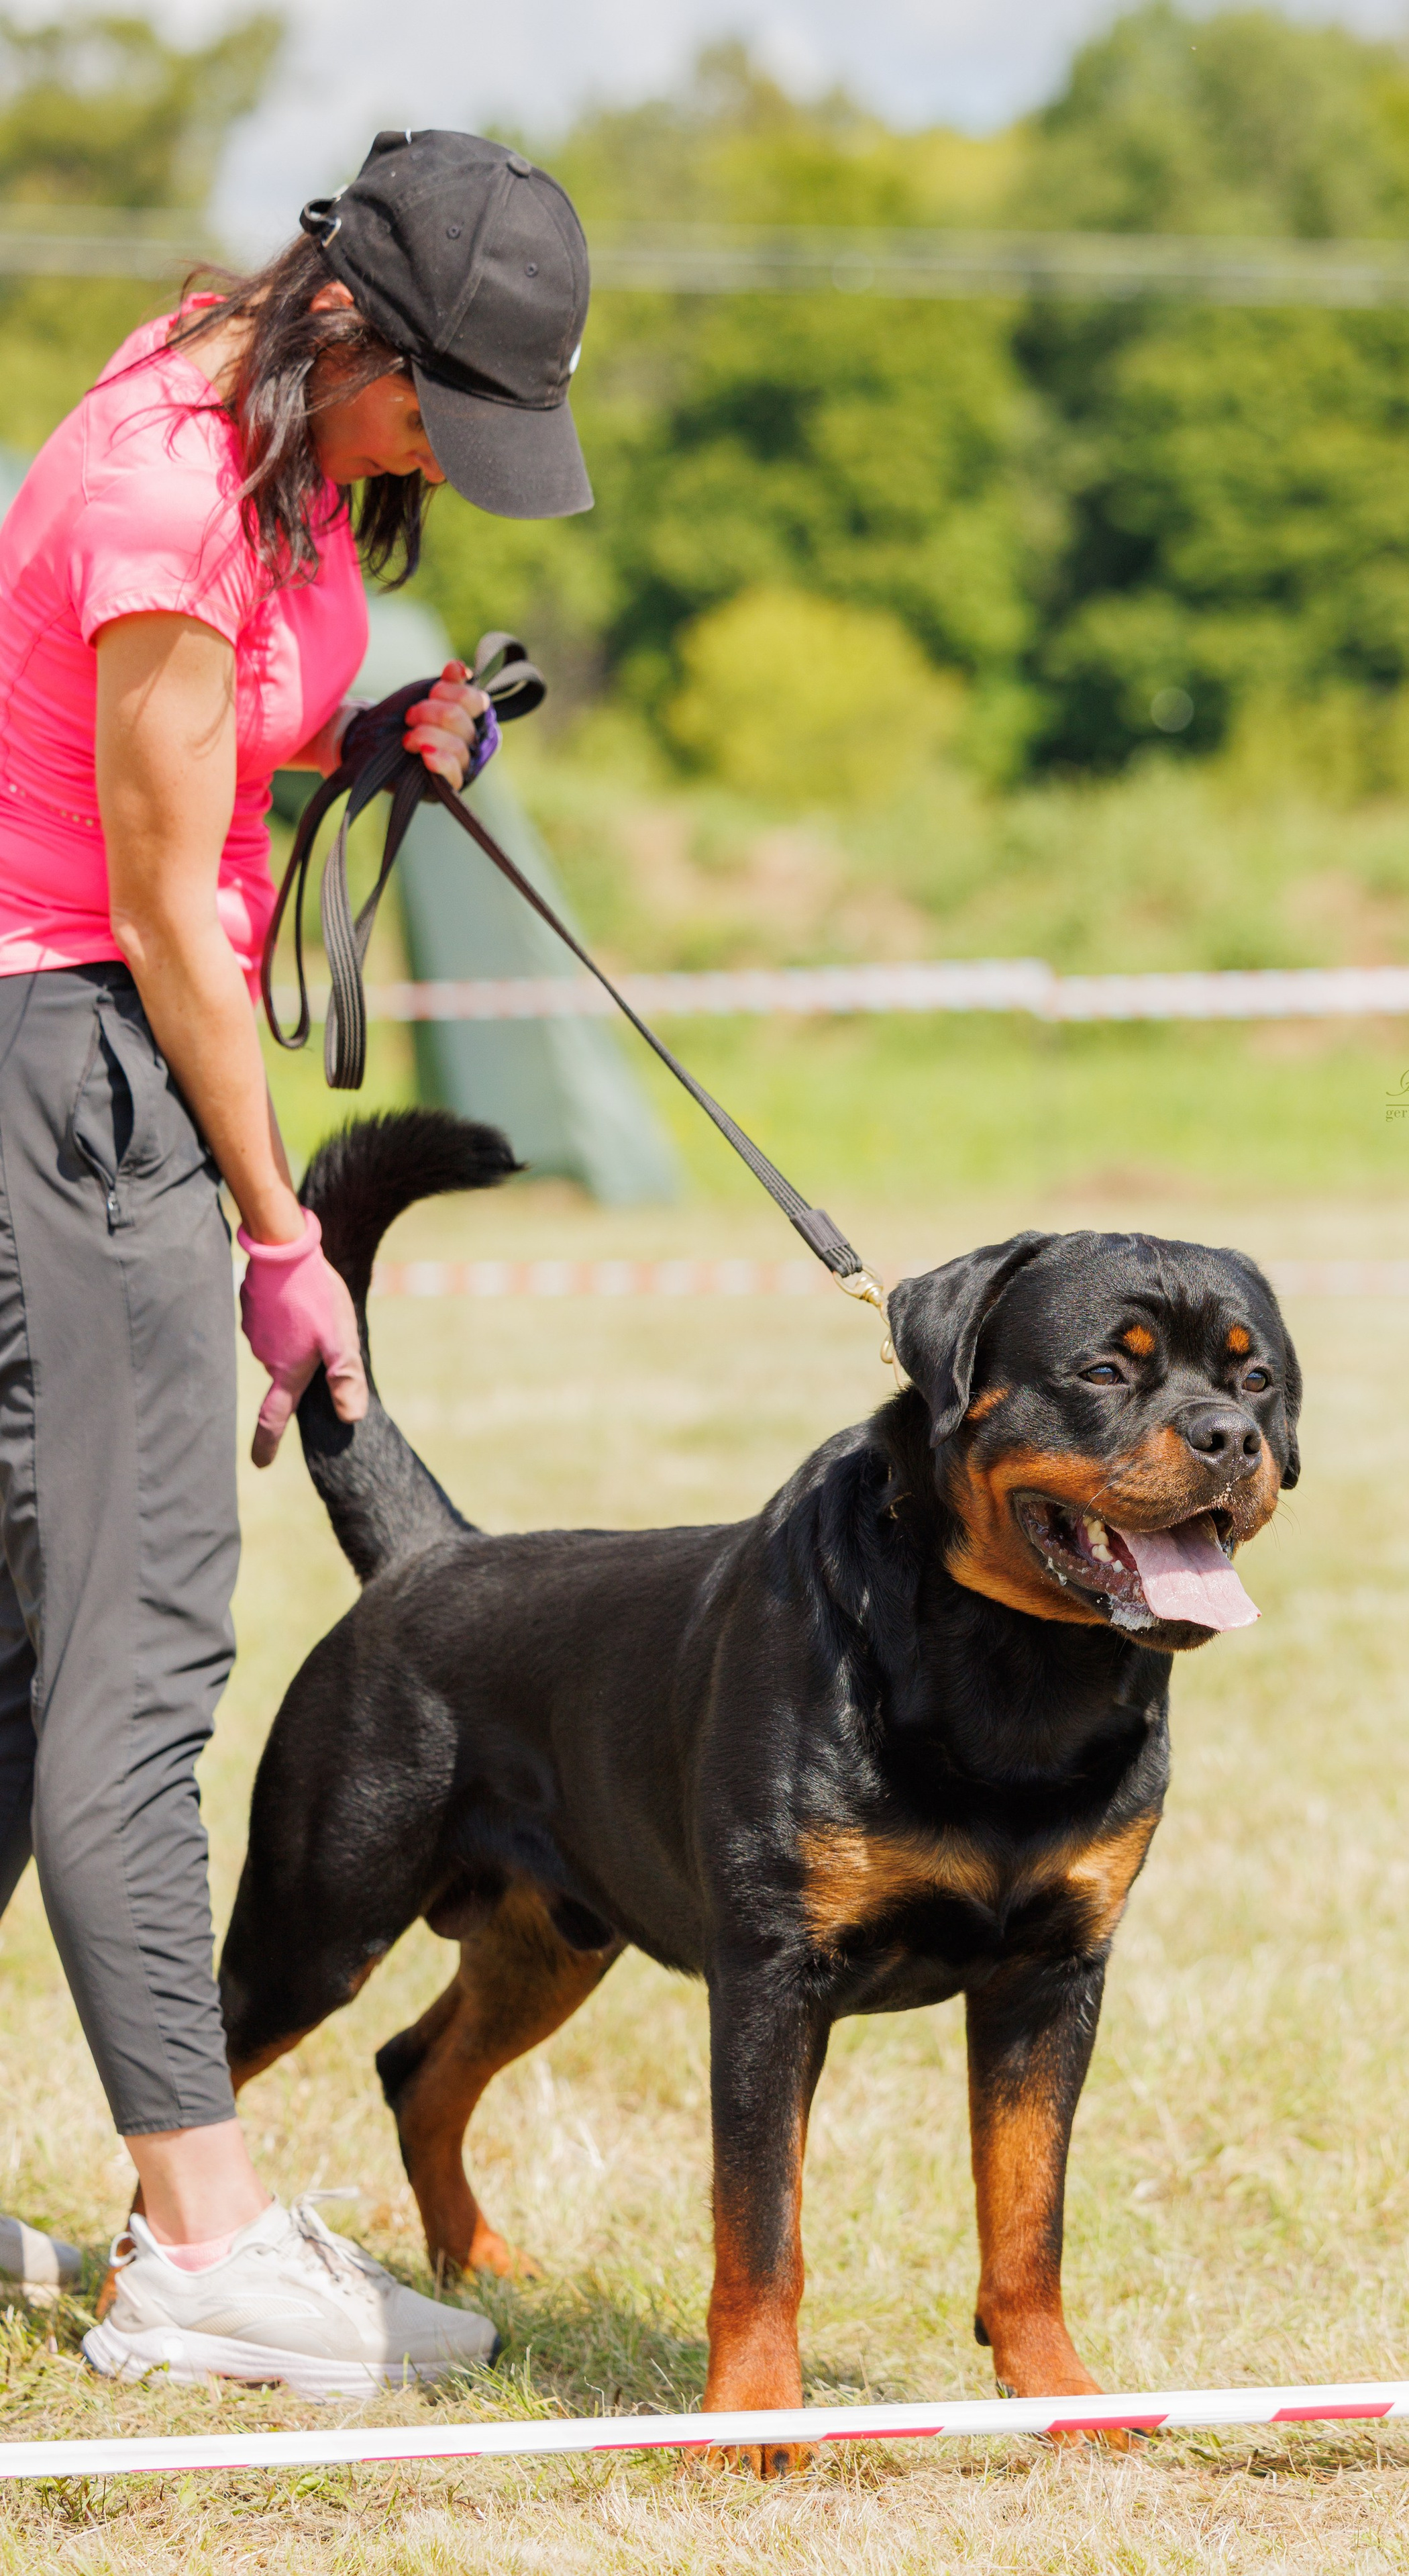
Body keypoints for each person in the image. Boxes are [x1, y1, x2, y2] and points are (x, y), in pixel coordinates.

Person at [0, 130, 594, 2393]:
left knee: (11, 1656)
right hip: (79, 1062)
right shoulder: (167, 485)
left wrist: (371, 741)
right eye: (441, 409)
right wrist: (280, 1232)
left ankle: (187, 2220)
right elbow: (157, 906)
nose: (443, 458)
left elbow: (207, 779)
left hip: (89, 1041)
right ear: (352, 323)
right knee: (134, 1675)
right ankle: (202, 2249)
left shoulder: (259, 442)